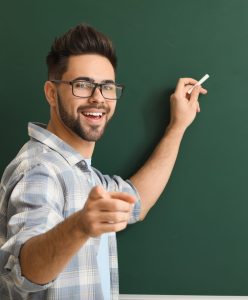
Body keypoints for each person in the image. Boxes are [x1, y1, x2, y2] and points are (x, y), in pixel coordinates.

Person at [0, 23, 207, 300]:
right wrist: (79, 226)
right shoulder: (41, 170)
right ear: (51, 93)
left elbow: (136, 201)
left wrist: (177, 127)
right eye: (82, 85)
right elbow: (24, 271)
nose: (98, 98)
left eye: (107, 87)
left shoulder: (82, 174)